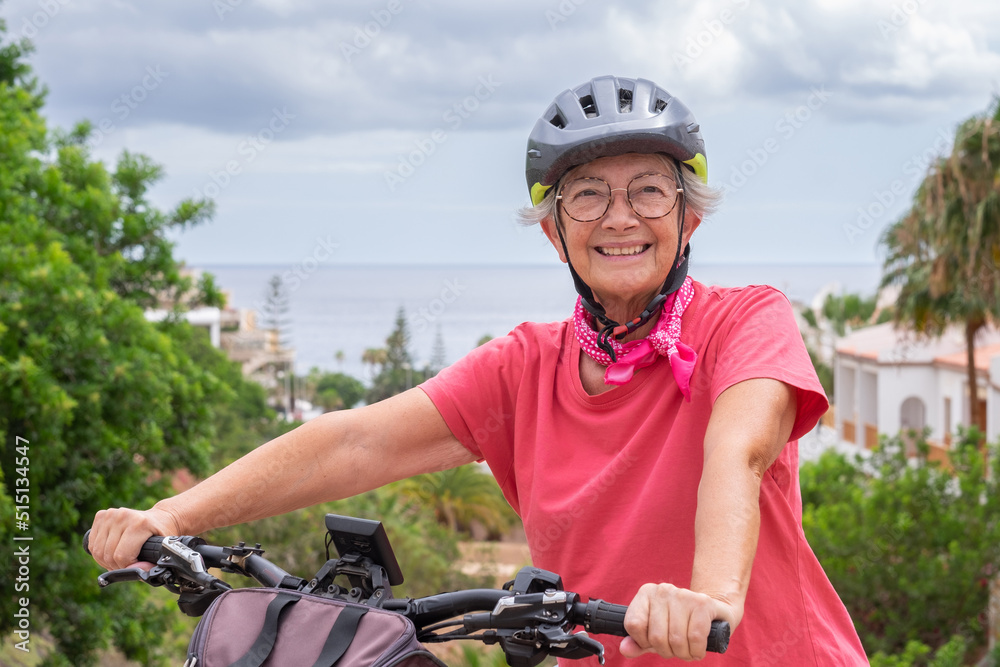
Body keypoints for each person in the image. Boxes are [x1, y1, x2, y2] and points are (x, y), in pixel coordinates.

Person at [88, 75, 868, 664]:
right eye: (587, 196)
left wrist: (710, 598)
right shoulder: (526, 366)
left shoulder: (745, 320)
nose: (620, 216)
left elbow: (740, 450)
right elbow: (354, 443)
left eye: (649, 191)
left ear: (688, 216)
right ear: (555, 232)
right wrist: (172, 515)